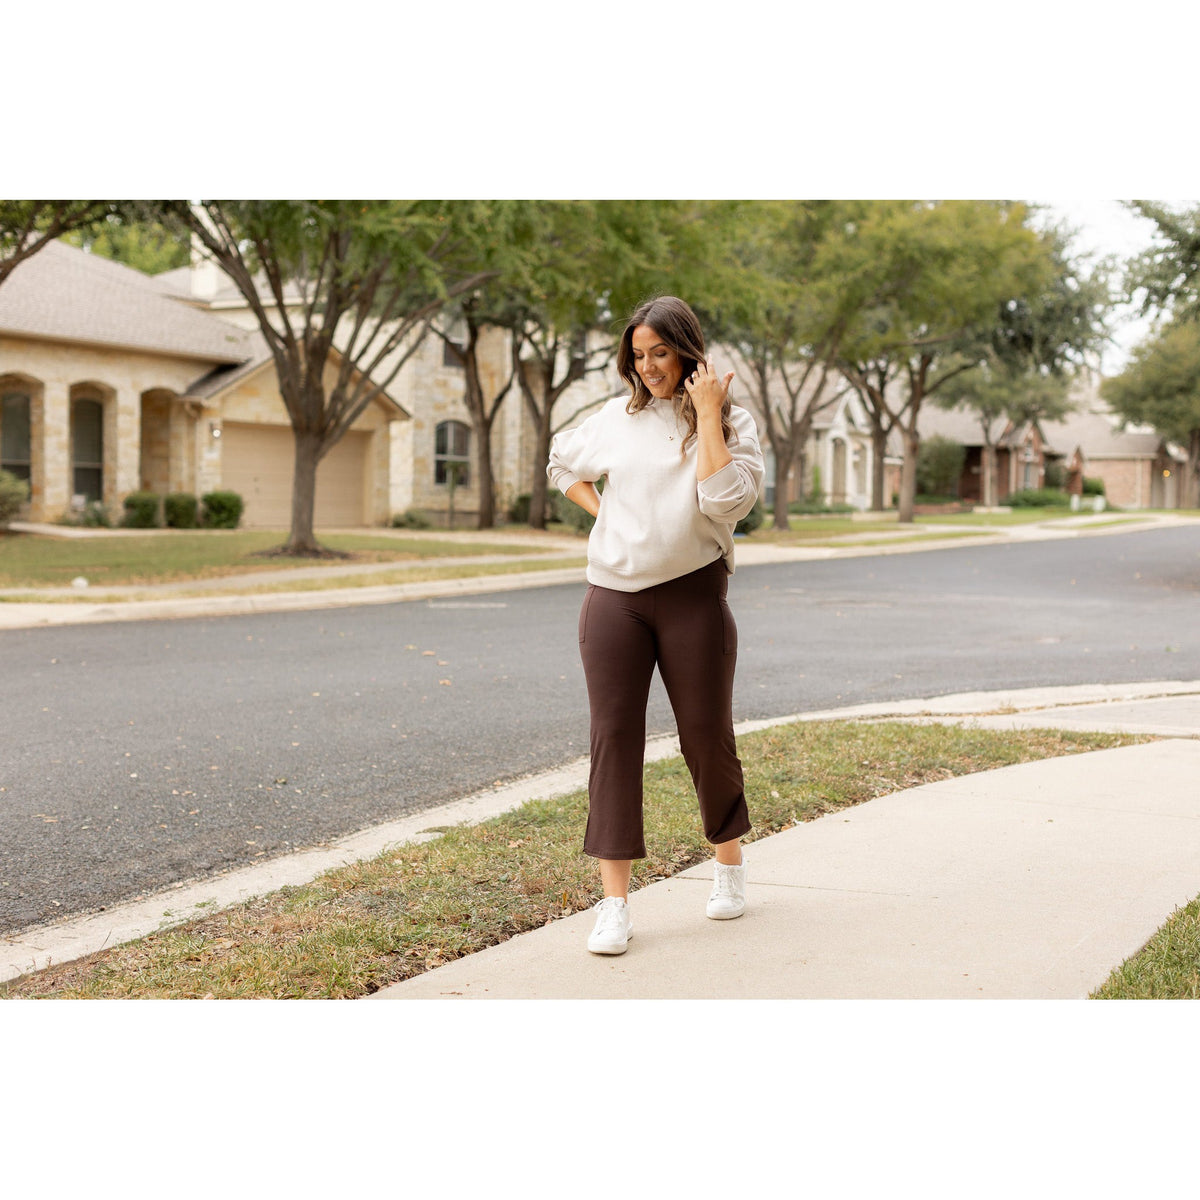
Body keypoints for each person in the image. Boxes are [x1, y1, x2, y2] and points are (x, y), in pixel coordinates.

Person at [547, 295, 765, 955]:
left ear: (686, 349)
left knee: (705, 736)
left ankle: (728, 865)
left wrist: (706, 418)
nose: (648, 369)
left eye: (660, 354)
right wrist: (602, 510)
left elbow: (725, 503)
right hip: (613, 596)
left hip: (693, 594)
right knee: (614, 739)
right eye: (638, 357)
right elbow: (562, 462)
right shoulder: (615, 418)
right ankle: (614, 905)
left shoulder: (731, 420)